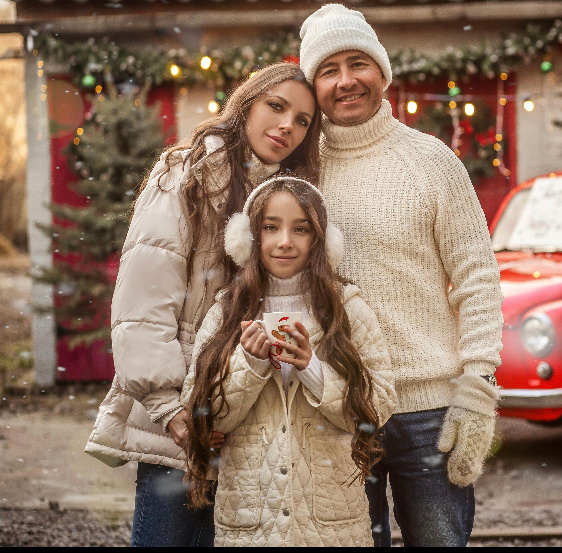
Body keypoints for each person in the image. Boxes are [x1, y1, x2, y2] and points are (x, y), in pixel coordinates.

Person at [83, 62, 322, 547]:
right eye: (276, 107)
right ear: (246, 104)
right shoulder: (186, 175)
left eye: (302, 120)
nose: (287, 127)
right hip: (180, 415)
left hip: (247, 410)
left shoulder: (289, 197)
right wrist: (171, 409)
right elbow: (142, 306)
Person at [298, 3, 504, 548]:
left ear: (382, 72)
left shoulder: (432, 161)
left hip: (428, 411)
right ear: (312, 85)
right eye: (328, 70)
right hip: (336, 405)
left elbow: (477, 277)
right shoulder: (298, 171)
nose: (346, 81)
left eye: (357, 63)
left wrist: (477, 385)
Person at [180, 175, 397, 547]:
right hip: (251, 522)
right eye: (270, 227)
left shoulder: (347, 309)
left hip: (331, 525)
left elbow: (380, 405)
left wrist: (313, 370)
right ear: (249, 239)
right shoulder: (227, 311)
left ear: (320, 241)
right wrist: (250, 365)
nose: (284, 242)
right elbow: (203, 414)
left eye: (301, 229)